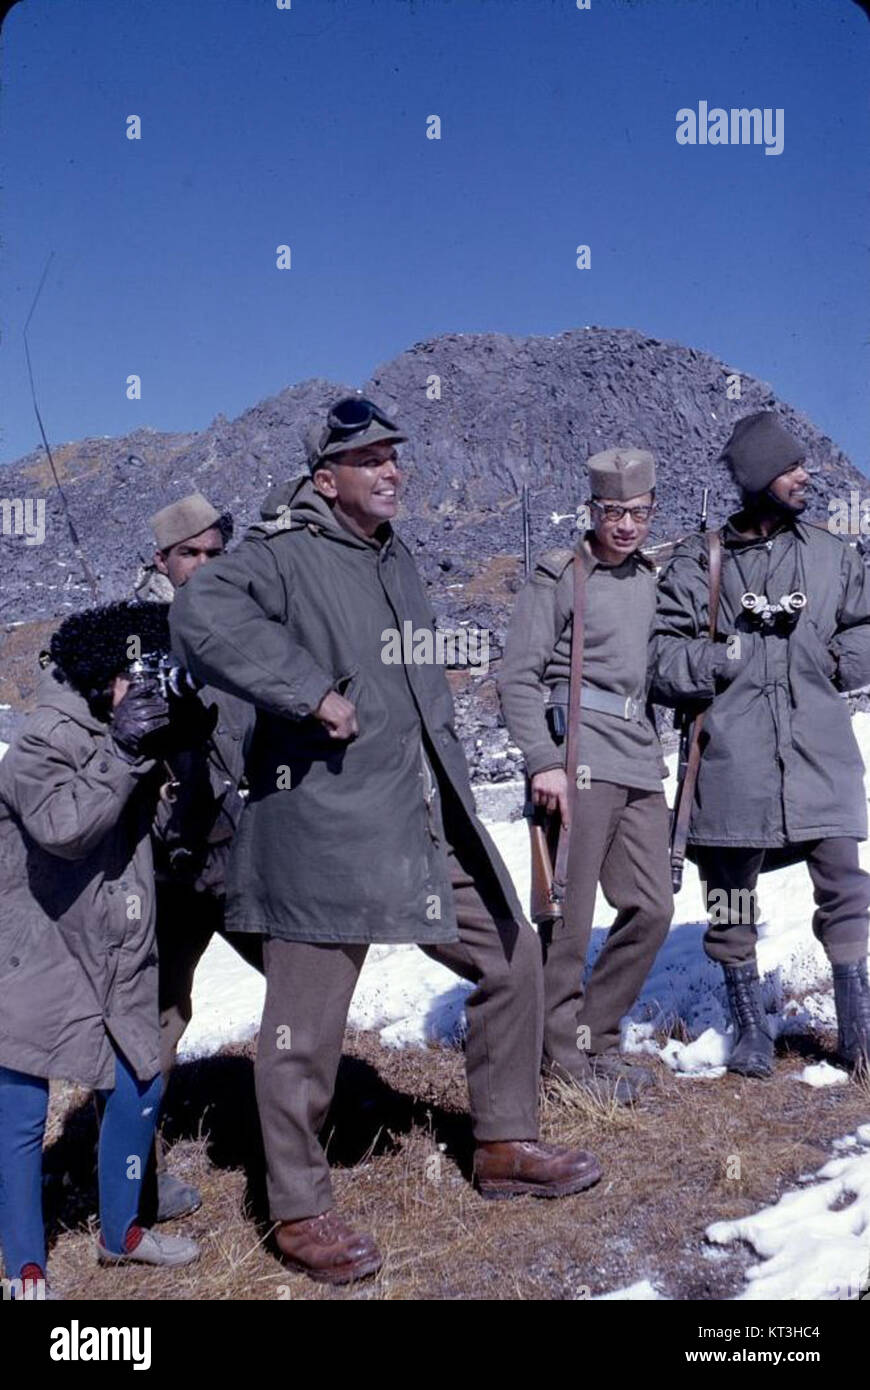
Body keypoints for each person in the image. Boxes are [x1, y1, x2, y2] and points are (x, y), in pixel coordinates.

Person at [169, 395, 602, 1286]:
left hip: (419, 811)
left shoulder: (393, 555)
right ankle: (296, 1210)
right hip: (321, 828)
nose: (391, 469)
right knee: (301, 1035)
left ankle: (504, 1143)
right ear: (327, 479)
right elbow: (202, 615)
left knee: (512, 957)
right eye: (370, 460)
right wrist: (304, 690)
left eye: (395, 455)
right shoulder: (281, 552)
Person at [651, 411, 870, 1078]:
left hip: (820, 754)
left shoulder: (834, 556)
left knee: (845, 885)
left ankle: (857, 1030)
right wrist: (713, 662)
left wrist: (843, 664)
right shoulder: (699, 563)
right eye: (789, 468)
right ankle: (751, 1028)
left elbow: (865, 625)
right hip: (732, 764)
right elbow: (658, 657)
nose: (806, 476)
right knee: (730, 896)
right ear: (755, 480)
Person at [0, 601, 201, 1297]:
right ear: (102, 678)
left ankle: (124, 1233)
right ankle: (25, 1265)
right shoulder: (40, 740)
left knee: (142, 1079)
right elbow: (63, 827)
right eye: (136, 675)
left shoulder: (130, 728)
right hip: (42, 946)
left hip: (116, 942)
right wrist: (120, 752)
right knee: (22, 1104)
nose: (145, 688)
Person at [498, 449, 672, 1102]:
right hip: (576, 759)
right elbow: (516, 676)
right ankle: (564, 1065)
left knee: (653, 907)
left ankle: (593, 1036)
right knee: (567, 920)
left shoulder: (654, 580)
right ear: (591, 510)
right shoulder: (560, 575)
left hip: (638, 757)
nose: (625, 525)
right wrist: (543, 761)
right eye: (612, 512)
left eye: (638, 512)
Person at [136, 494, 262, 1223]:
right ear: (162, 560)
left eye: (217, 554)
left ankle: (294, 1140)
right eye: (192, 555)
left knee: (300, 973)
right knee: (157, 1012)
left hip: (242, 843)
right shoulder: (133, 637)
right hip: (168, 861)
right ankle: (135, 1178)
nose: (207, 567)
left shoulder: (241, 624)